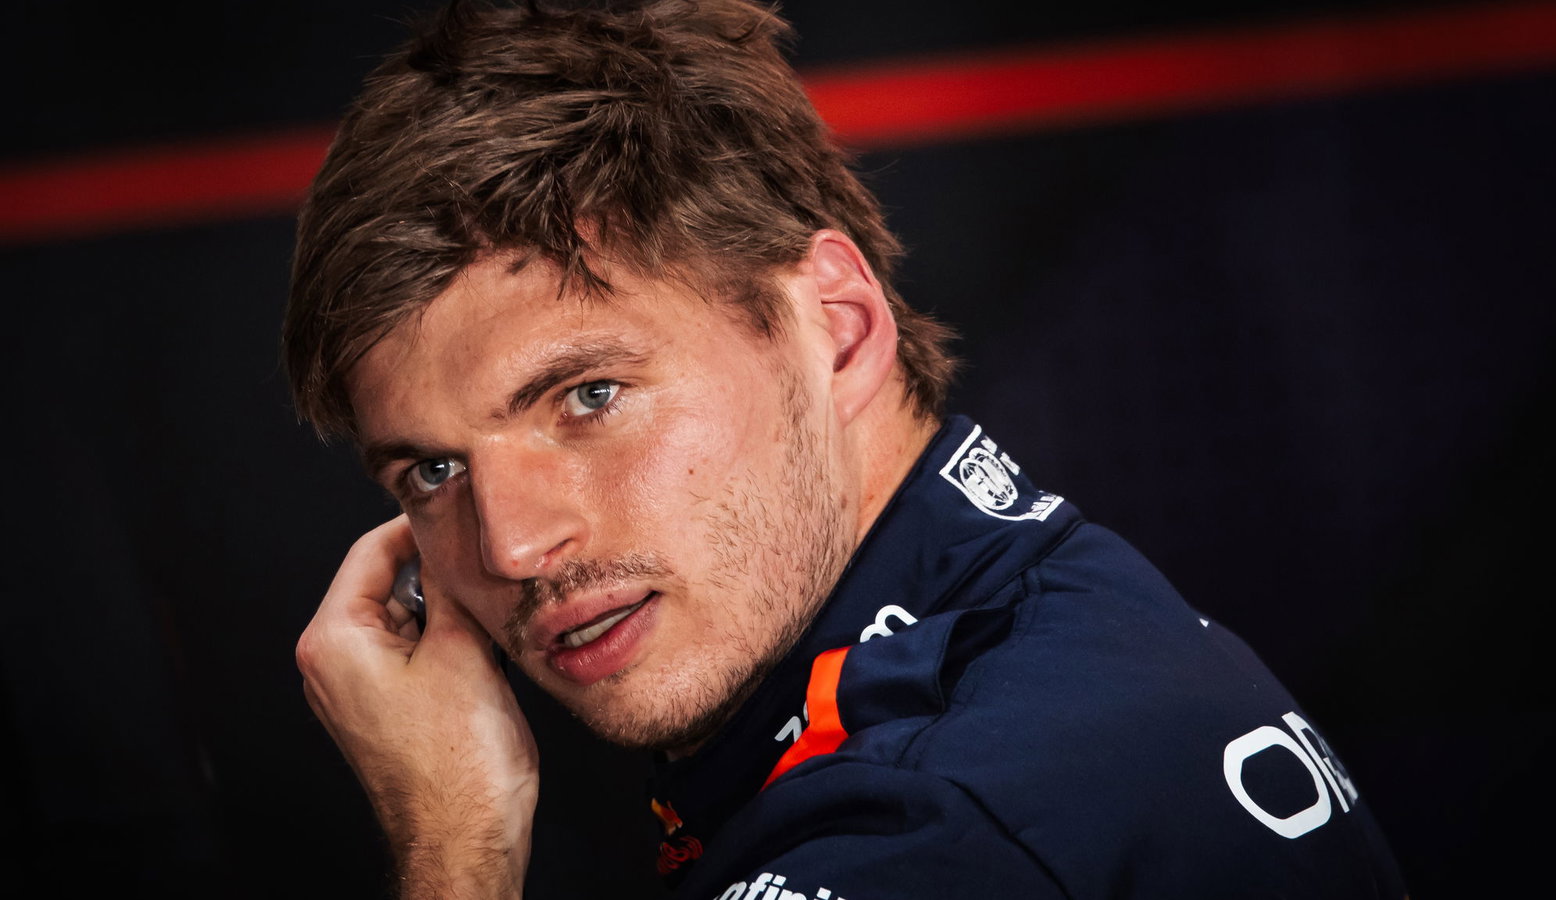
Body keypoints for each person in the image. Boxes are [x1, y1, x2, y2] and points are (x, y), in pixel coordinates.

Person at [286, 2, 1406, 897]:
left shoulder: (935, 825)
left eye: (590, 396)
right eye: (433, 471)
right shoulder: (1039, 617)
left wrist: (456, 843)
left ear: (839, 329)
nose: (513, 546)